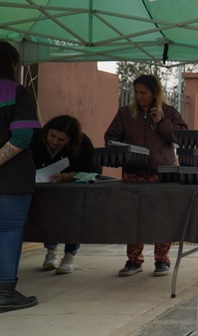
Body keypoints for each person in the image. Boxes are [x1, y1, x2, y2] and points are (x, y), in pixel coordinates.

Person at [104, 74, 187, 277]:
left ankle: (162, 260)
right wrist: (124, 150)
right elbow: (110, 137)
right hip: (133, 173)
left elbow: (183, 137)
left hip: (161, 175)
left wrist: (163, 122)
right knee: (134, 218)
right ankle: (133, 260)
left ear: (155, 93)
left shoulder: (168, 112)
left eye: (144, 92)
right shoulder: (125, 113)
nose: (139, 97)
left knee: (162, 218)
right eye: (136, 92)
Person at [0, 40, 41, 313]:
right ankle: (4, 292)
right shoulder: (15, 90)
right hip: (11, 179)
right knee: (8, 231)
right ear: (12, 65)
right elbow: (22, 136)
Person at [29, 115, 95, 274]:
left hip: (71, 188)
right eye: (52, 136)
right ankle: (51, 252)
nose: (54, 141)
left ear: (70, 140)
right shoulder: (36, 139)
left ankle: (70, 255)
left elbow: (88, 171)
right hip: (43, 185)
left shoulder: (83, 143)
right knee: (48, 215)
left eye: (61, 139)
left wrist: (65, 176)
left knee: (72, 218)